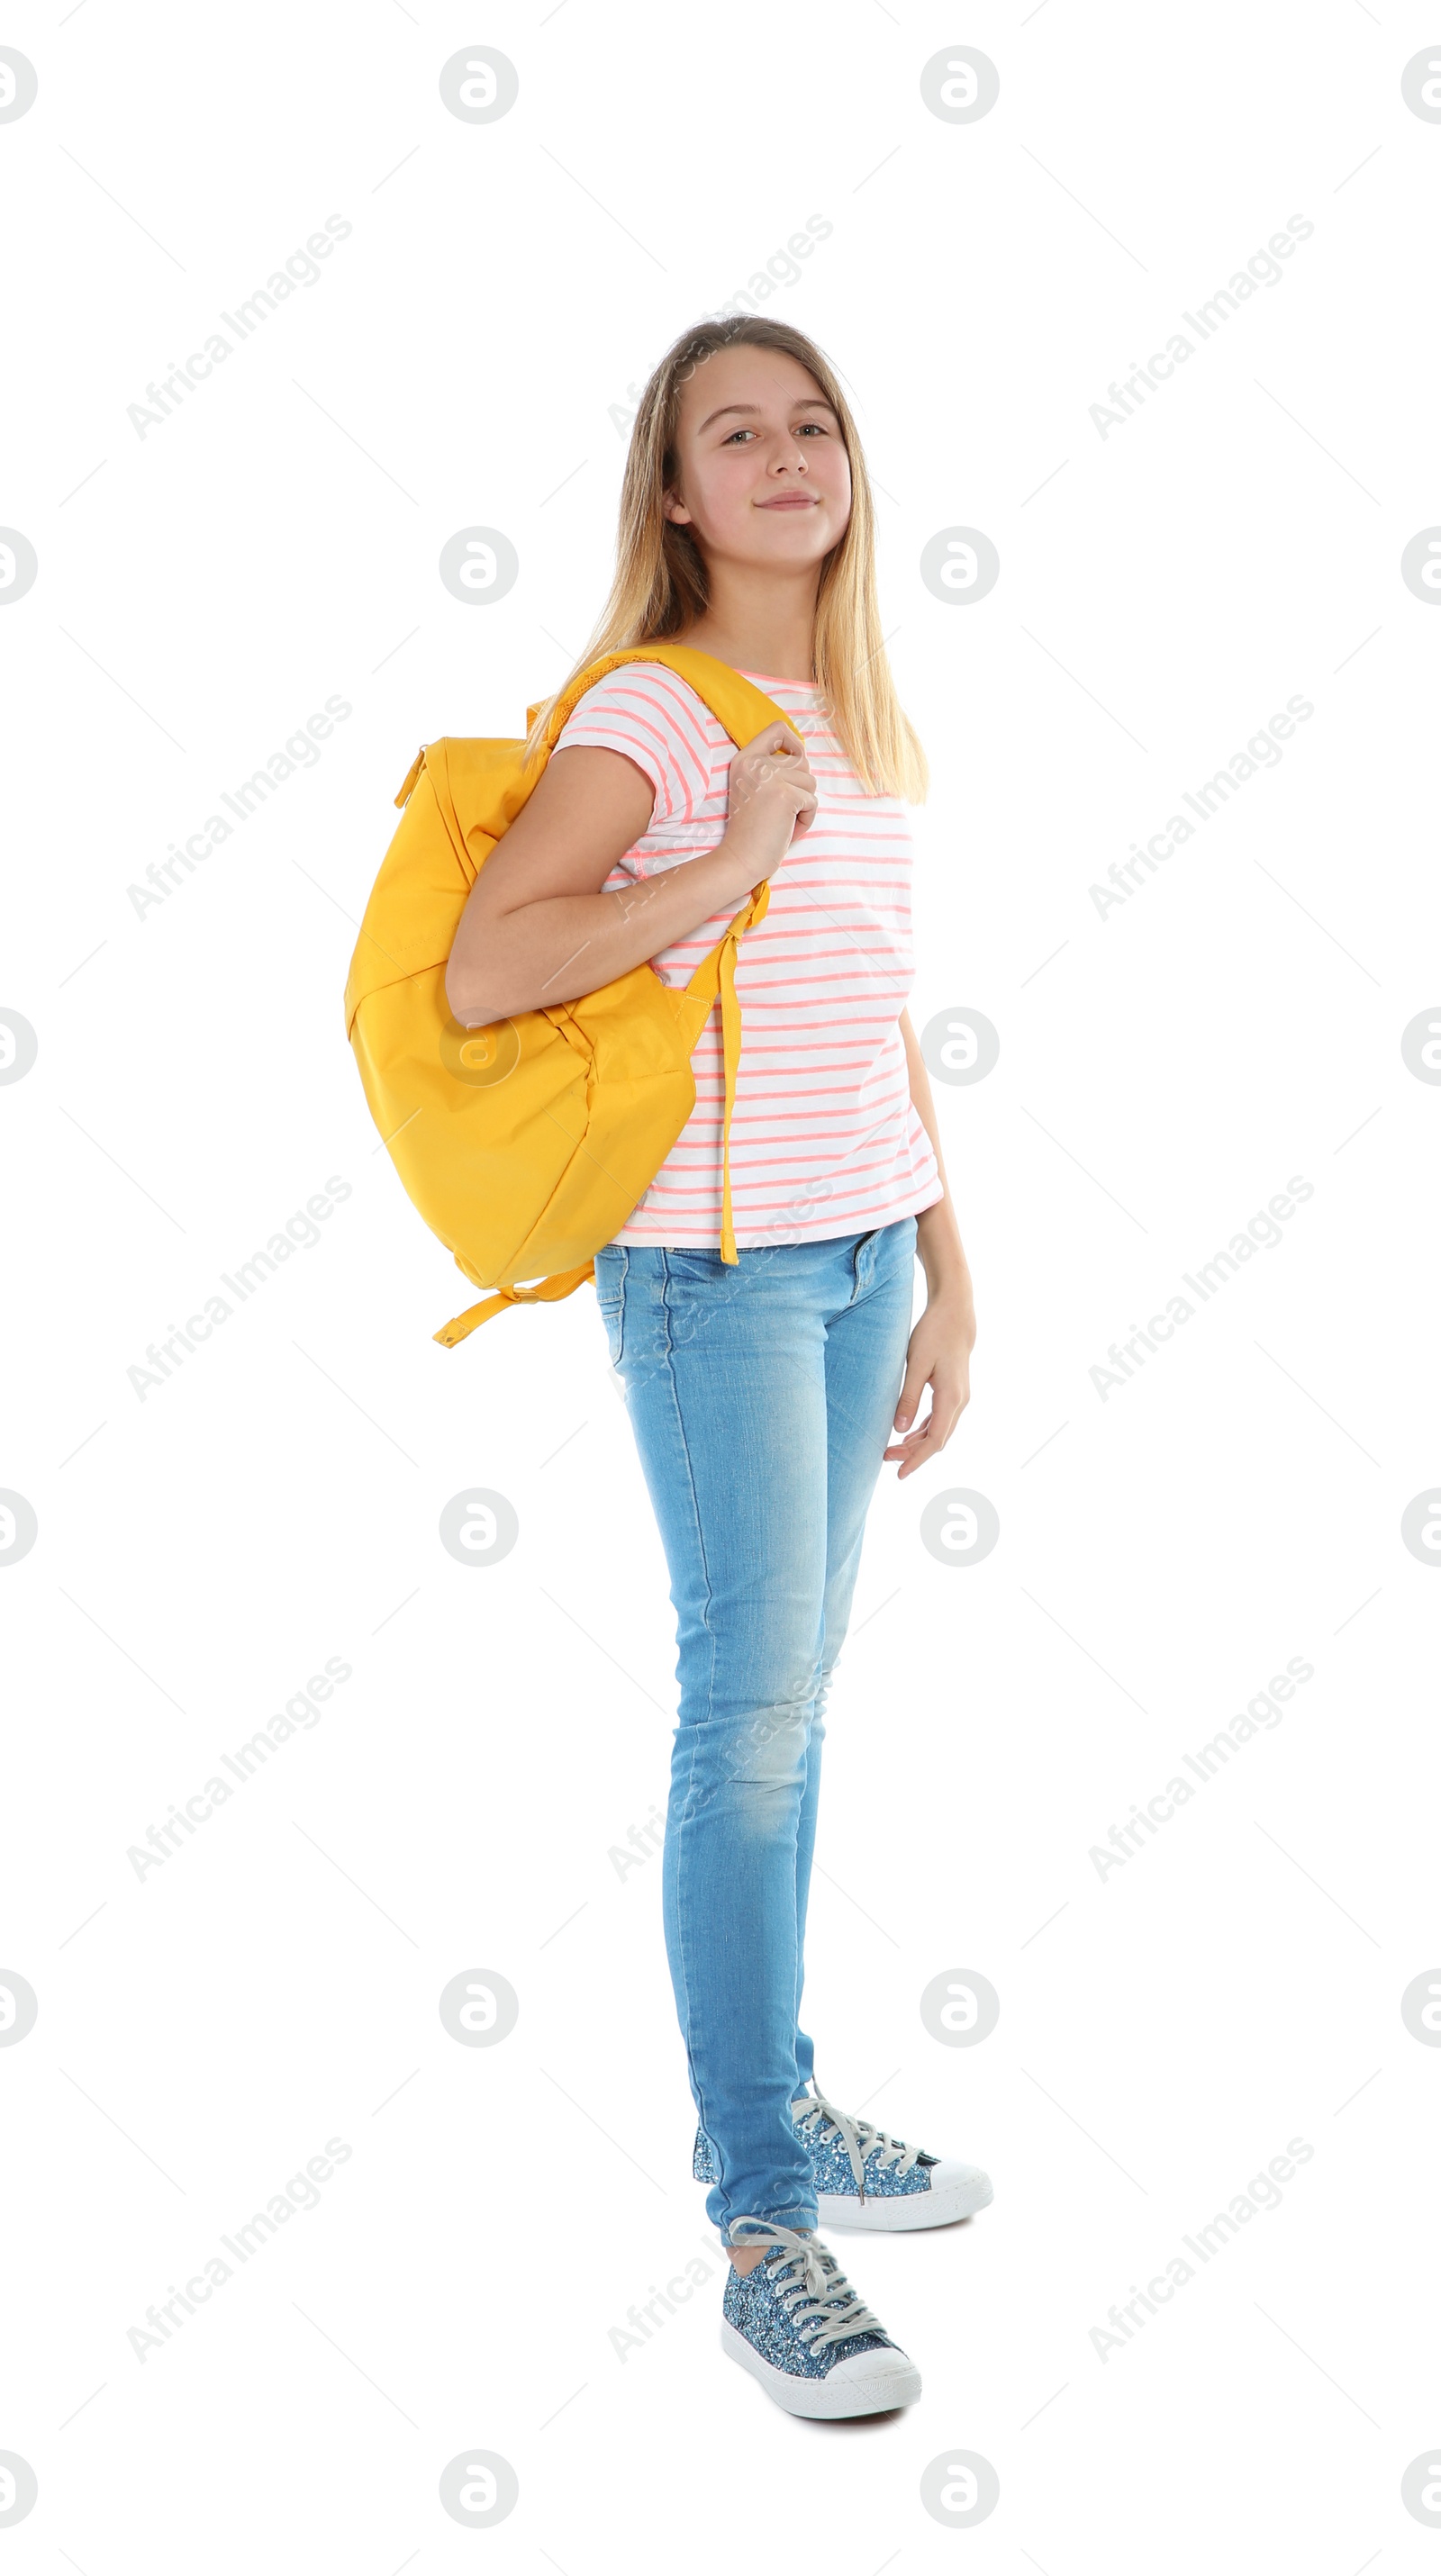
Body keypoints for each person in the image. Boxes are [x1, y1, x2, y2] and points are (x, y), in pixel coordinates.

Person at [444, 314, 990, 2419]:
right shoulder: (654, 716)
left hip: (853, 1263)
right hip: (715, 1279)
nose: (784, 458)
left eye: (812, 423)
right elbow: (497, 961)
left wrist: (947, 1275)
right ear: (671, 494)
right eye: (732, 435)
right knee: (743, 1725)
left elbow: (876, 1019)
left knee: (791, 1709)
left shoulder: (839, 715)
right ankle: (761, 2219)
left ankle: (778, 2098)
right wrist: (728, 851)